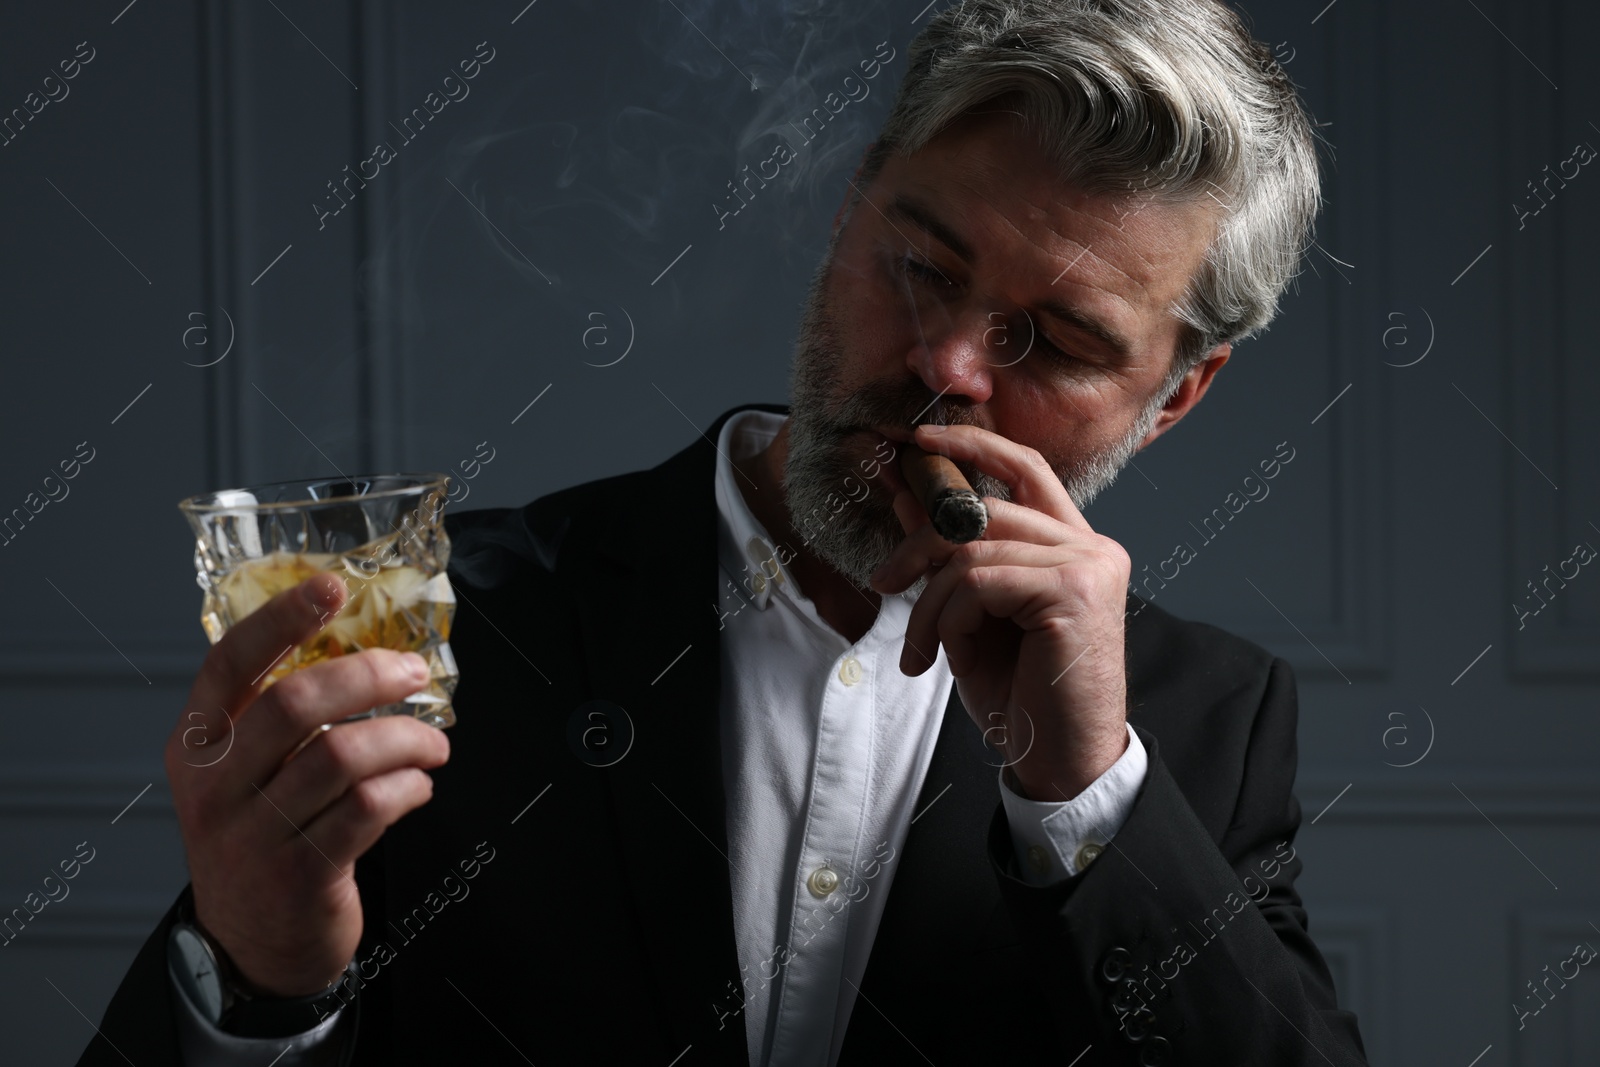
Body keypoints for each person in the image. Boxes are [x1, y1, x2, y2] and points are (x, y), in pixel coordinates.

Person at [77, 1, 1369, 1063]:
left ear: (1180, 392)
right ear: (847, 214)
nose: (948, 363)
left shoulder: (1205, 720)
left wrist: (1085, 799)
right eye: (920, 265)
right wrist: (260, 981)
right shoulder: (435, 617)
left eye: (1064, 342)